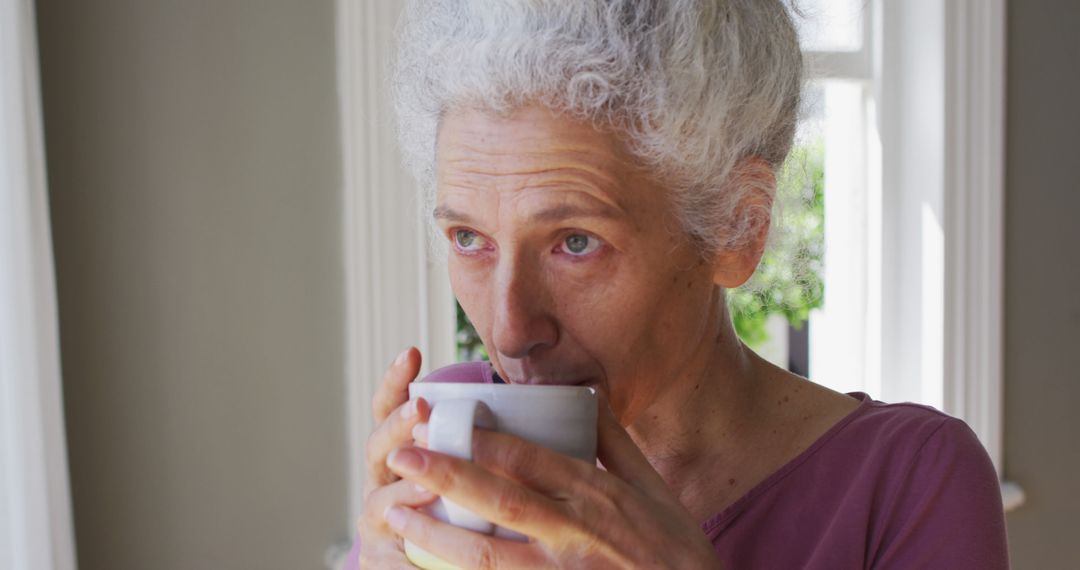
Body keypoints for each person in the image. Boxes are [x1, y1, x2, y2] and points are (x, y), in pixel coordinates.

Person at [350, 1, 1009, 568]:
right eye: (470, 239)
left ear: (735, 227)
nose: (508, 330)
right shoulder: (451, 441)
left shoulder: (907, 482)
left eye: (576, 243)